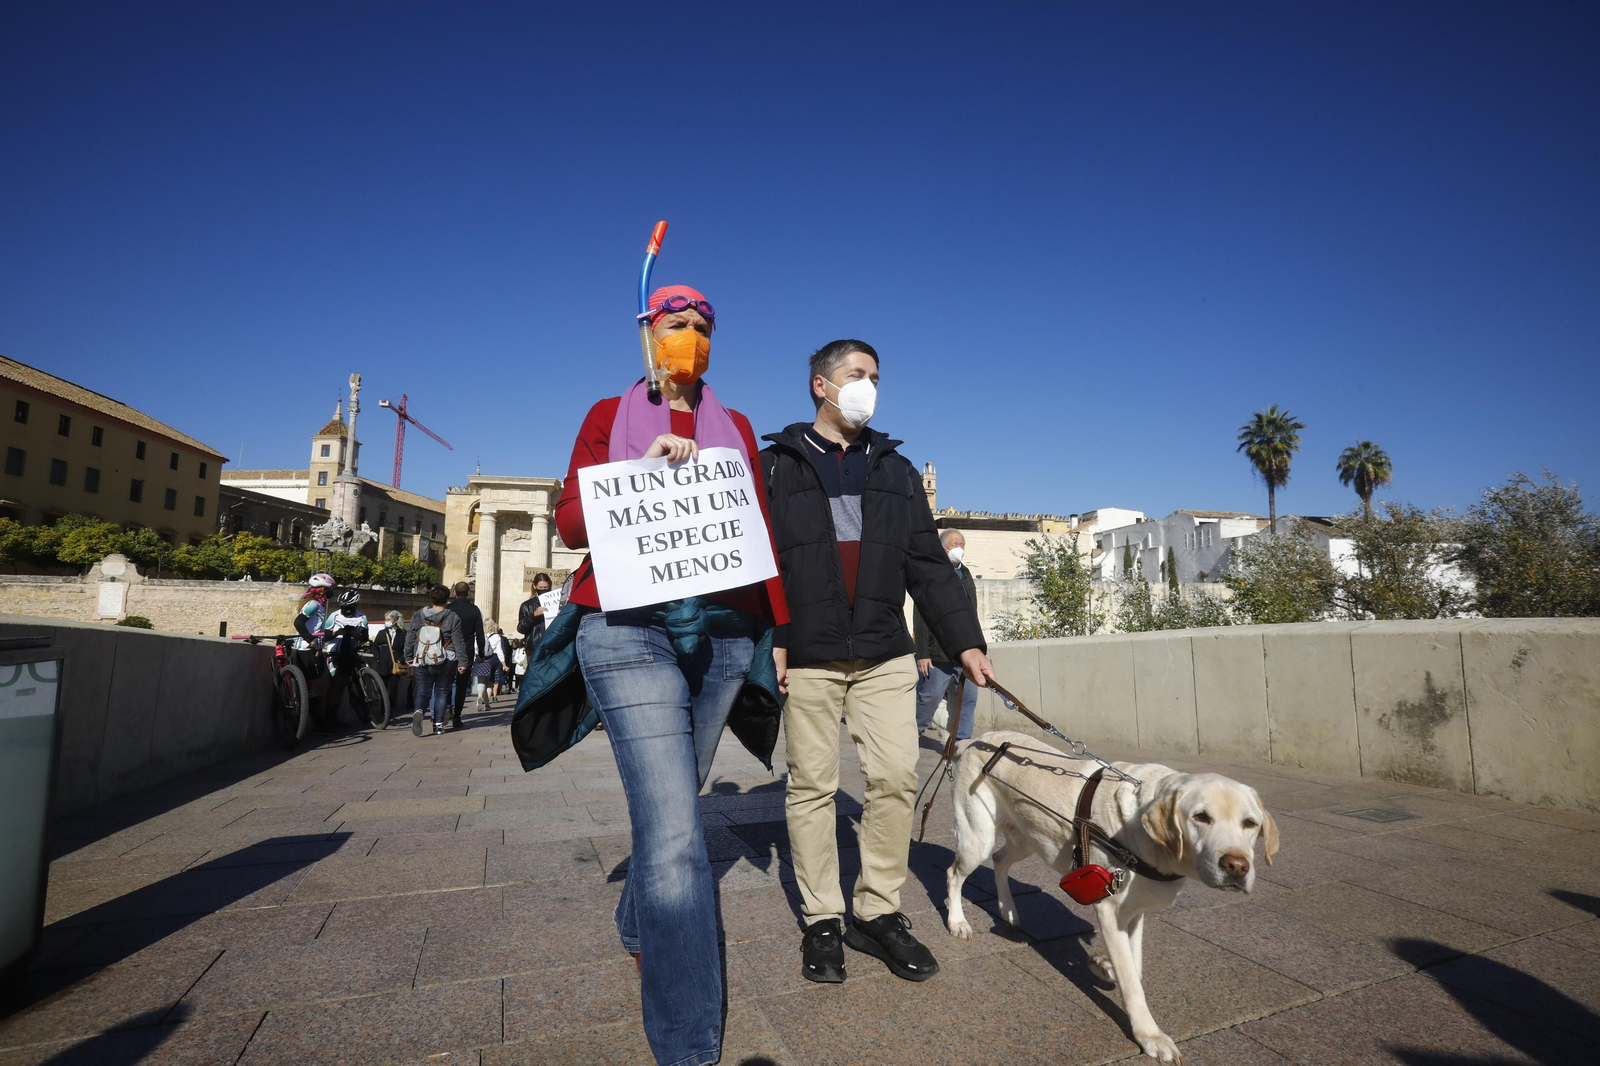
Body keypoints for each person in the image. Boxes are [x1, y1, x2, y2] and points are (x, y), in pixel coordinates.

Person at [545, 283, 789, 1066]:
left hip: (723, 632)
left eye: (704, 327)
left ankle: (635, 920)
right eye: (677, 323)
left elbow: (757, 530)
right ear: (649, 333)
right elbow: (571, 525)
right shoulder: (605, 418)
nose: (692, 336)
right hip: (627, 630)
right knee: (681, 836)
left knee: (671, 811)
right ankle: (688, 1048)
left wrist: (779, 631)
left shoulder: (739, 427)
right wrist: (641, 471)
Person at [760, 339, 993, 985]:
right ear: (820, 385)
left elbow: (927, 563)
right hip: (808, 653)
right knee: (812, 787)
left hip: (887, 652)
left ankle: (879, 910)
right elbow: (760, 562)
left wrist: (965, 641)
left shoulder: (894, 468)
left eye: (876, 377)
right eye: (857, 375)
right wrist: (774, 637)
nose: (869, 387)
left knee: (894, 776)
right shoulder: (775, 465)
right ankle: (823, 920)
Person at [914, 529, 981, 741]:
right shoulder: (932, 575)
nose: (958, 548)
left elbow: (972, 613)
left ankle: (961, 741)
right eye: (953, 544)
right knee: (930, 696)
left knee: (968, 698)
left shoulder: (966, 574)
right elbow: (921, 615)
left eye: (961, 544)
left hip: (966, 650)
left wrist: (978, 646)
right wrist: (923, 653)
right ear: (942, 548)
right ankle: (914, 730)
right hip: (939, 652)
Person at [405, 584, 467, 737]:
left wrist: (408, 656)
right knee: (441, 692)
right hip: (446, 658)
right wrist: (463, 661)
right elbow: (458, 641)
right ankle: (438, 726)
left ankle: (419, 711)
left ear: (431, 598)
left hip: (422, 658)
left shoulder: (419, 615)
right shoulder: (452, 617)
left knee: (422, 690)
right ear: (447, 599)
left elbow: (410, 636)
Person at [291, 573, 336, 729]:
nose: (331, 592)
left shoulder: (317, 605)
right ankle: (319, 724)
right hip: (307, 650)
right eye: (329, 589)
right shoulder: (313, 605)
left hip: (308, 649)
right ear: (322, 590)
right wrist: (310, 641)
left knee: (312, 687)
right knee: (314, 688)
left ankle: (314, 721)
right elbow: (298, 623)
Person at [323, 589, 370, 728]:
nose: (345, 610)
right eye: (343, 607)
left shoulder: (362, 617)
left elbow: (365, 637)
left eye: (348, 607)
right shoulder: (334, 616)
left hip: (350, 651)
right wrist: (338, 632)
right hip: (336, 652)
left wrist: (354, 634)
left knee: (343, 685)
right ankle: (328, 717)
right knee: (335, 683)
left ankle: (334, 715)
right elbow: (326, 636)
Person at [445, 581, 485, 728]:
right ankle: (457, 716)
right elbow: (480, 634)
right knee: (462, 685)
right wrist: (481, 653)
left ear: (454, 592)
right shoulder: (474, 610)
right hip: (466, 651)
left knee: (447, 682)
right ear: (469, 593)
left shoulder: (448, 608)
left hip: (449, 649)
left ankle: (448, 706)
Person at [370, 609, 411, 723]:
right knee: (381, 689)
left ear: (395, 620)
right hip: (382, 665)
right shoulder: (382, 633)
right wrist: (377, 658)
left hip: (395, 666)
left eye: (388, 619)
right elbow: (374, 646)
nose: (386, 621)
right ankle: (381, 712)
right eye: (385, 619)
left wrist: (401, 659)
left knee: (393, 689)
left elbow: (407, 649)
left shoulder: (403, 634)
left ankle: (389, 711)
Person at [516, 573, 554, 655]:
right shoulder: (526, 606)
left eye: (546, 587)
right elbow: (520, 628)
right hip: (534, 649)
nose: (543, 590)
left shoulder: (557, 602)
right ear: (534, 586)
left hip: (552, 648)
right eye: (540, 588)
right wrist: (533, 616)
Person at [483, 619, 511, 700]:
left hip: (482, 659)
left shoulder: (480, 635)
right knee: (492, 681)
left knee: (481, 682)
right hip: (493, 660)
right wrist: (504, 664)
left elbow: (476, 649)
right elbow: (500, 652)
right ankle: (488, 700)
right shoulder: (497, 637)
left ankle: (480, 696)